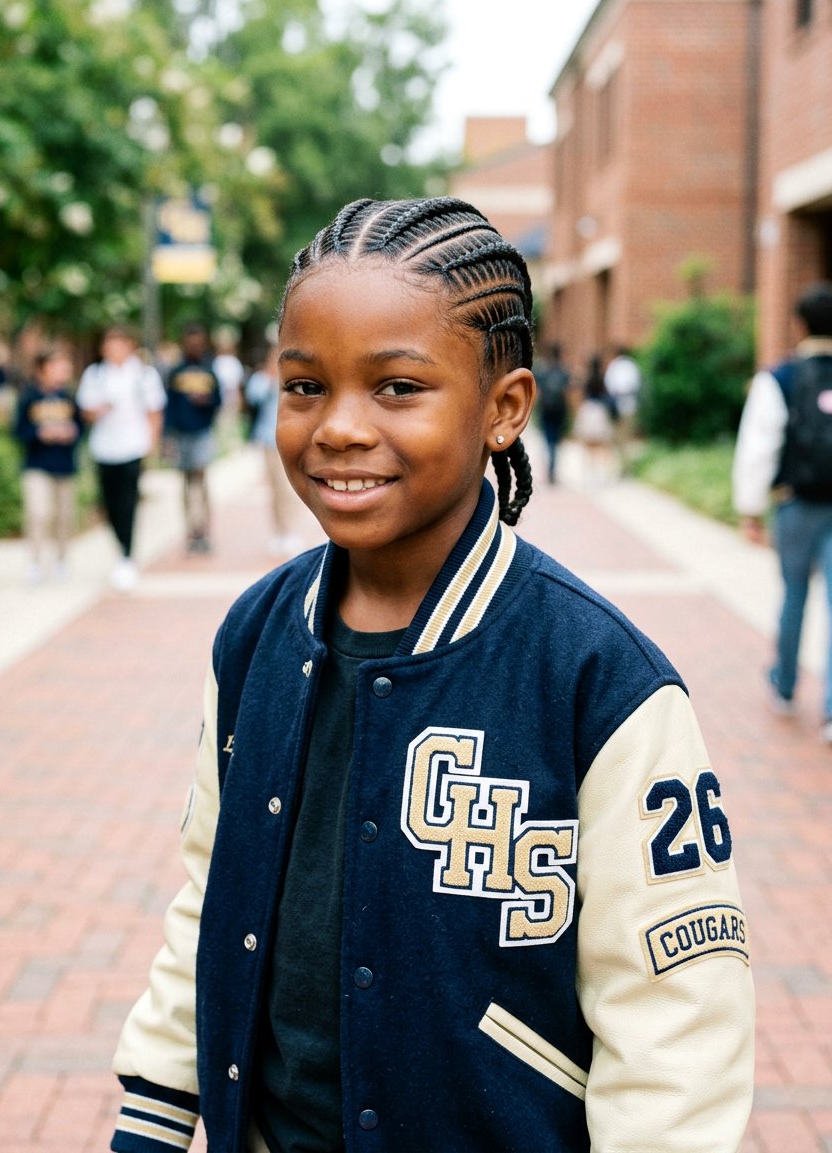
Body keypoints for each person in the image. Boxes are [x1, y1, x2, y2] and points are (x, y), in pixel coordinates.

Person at [110, 197, 754, 1153]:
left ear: (504, 409)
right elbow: (212, 895)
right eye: (304, 387)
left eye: (398, 388)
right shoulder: (254, 637)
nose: (338, 428)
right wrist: (154, 1117)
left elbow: (680, 1030)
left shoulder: (598, 678)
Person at [733, 281, 832, 746]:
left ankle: (785, 684)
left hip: (796, 505)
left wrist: (750, 509)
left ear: (800, 324)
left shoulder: (780, 378)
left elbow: (759, 447)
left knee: (794, 595)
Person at [77, 324, 166, 591]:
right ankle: (121, 549)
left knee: (128, 503)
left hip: (132, 448)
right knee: (109, 504)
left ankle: (127, 556)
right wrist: (99, 410)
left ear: (129, 346)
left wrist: (151, 443)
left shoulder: (143, 375)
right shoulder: (95, 375)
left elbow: (154, 411)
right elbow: (85, 411)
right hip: (104, 449)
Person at [12, 349, 82, 583]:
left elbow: (81, 427)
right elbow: (18, 430)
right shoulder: (29, 397)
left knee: (64, 517)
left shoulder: (69, 397)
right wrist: (40, 433)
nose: (62, 372)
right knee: (38, 513)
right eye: (56, 366)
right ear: (43, 370)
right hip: (37, 465)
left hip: (64, 466)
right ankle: (34, 564)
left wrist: (71, 433)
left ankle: (61, 561)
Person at [244, 334, 306, 558]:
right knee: (274, 489)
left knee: (288, 488)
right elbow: (253, 397)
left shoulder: (292, 378)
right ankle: (279, 531)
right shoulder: (262, 379)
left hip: (288, 440)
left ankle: (291, 531)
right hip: (267, 440)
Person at [165, 321, 222, 554]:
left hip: (202, 432)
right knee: (187, 483)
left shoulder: (209, 371)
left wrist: (206, 401)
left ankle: (203, 530)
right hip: (181, 434)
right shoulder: (176, 372)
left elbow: (218, 401)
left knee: (200, 479)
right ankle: (191, 530)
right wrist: (167, 437)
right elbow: (169, 405)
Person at [572, 354, 616, 484]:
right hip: (600, 411)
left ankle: (589, 471)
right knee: (601, 444)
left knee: (588, 444)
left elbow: (581, 394)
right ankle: (600, 472)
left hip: (588, 409)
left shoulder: (587, 378)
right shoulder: (602, 379)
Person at [534, 342, 570, 484]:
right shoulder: (563, 372)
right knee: (555, 441)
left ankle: (550, 467)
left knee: (547, 440)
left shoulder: (544, 372)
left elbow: (538, 391)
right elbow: (568, 394)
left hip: (546, 410)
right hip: (559, 411)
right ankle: (552, 468)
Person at [604, 346, 642, 474]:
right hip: (630, 405)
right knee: (627, 438)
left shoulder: (614, 366)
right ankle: (626, 467)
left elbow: (609, 386)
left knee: (617, 439)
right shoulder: (632, 365)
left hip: (617, 406)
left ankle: (622, 467)